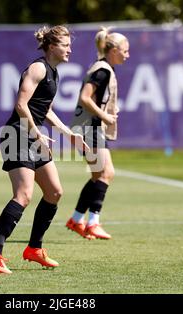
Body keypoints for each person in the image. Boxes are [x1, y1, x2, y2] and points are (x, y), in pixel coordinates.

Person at [0, 25, 89, 274]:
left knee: (54, 192)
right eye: (65, 45)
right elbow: (21, 104)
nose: (70, 49)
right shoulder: (38, 68)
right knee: (24, 195)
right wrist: (36, 131)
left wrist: (68, 134)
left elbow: (45, 110)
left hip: (33, 136)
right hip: (17, 135)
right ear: (52, 46)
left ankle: (34, 249)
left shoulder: (54, 73)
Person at [66, 27, 130, 240]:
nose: (127, 55)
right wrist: (105, 115)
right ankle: (93, 222)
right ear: (113, 50)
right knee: (105, 173)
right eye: (125, 50)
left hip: (88, 126)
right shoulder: (102, 70)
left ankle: (76, 219)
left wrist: (108, 111)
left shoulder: (104, 68)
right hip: (89, 127)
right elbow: (85, 97)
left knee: (98, 175)